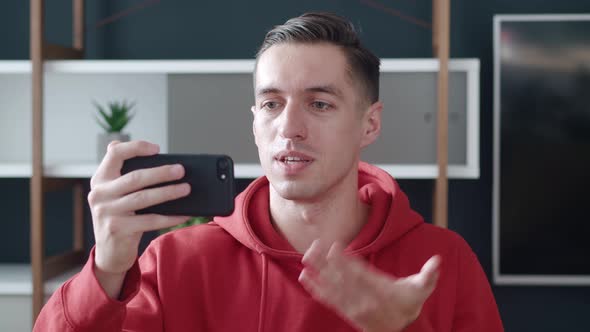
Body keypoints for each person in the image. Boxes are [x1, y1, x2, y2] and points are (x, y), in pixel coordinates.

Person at [34, 12, 503, 332]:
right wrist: (105, 271)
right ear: (254, 122)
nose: (289, 128)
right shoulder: (175, 263)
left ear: (370, 124)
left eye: (320, 104)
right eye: (271, 104)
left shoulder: (442, 263)